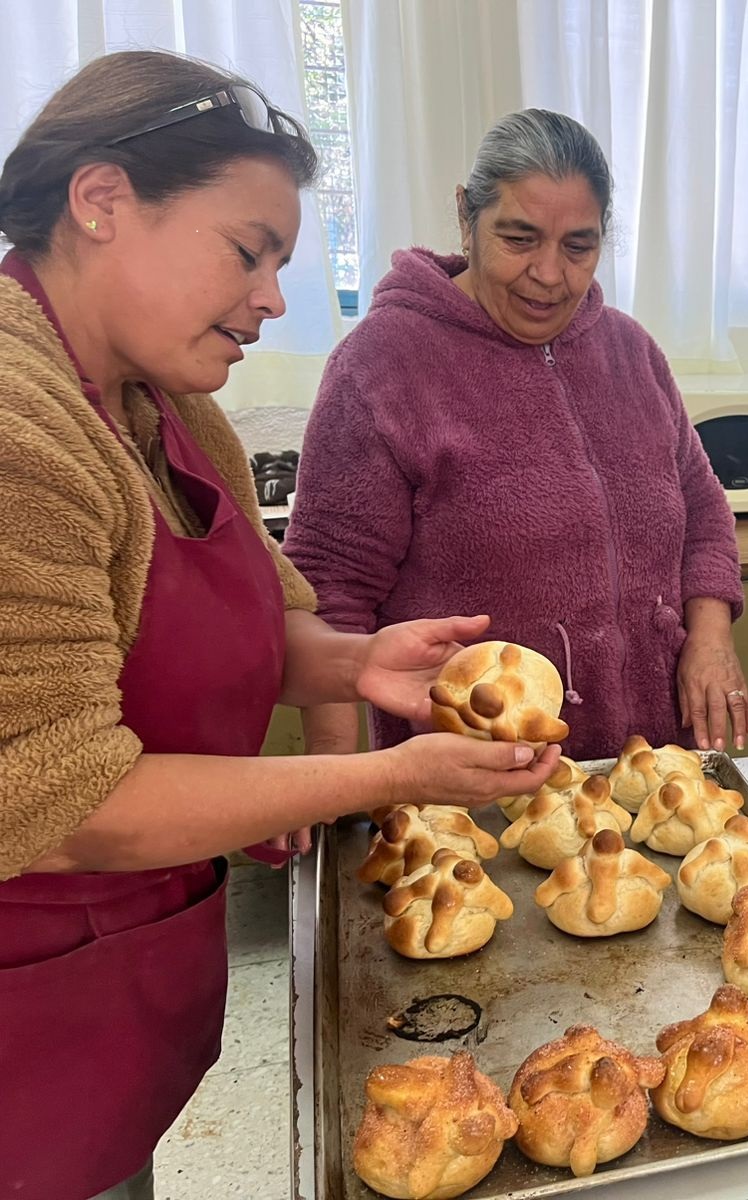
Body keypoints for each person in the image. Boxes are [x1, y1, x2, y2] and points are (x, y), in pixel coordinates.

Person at [0, 53, 561, 1200]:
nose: (271, 298)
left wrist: (363, 662)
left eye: (281, 263)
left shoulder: (163, 400)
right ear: (101, 202)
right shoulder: (18, 432)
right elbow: (64, 801)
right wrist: (382, 777)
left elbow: (256, 615)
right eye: (247, 250)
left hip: (119, 972)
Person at [285, 109, 748, 762]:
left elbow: (702, 510)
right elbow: (330, 595)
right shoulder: (382, 366)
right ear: (465, 219)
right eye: (520, 237)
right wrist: (337, 791)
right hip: (467, 783)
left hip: (640, 772)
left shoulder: (630, 352)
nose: (550, 274)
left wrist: (709, 639)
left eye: (578, 246)